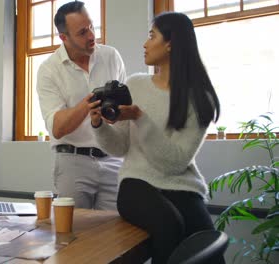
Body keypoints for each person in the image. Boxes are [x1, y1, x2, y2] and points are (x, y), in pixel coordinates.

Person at [89, 12, 223, 264]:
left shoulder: (199, 99)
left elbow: (175, 163)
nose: (145, 43)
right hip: (137, 184)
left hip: (181, 185)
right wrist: (98, 125)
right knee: (170, 224)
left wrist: (140, 117)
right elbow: (119, 147)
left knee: (207, 242)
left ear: (170, 43)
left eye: (152, 36)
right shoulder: (135, 85)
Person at [36, 1, 126, 210]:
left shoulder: (111, 56)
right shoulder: (49, 70)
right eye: (83, 32)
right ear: (64, 37)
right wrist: (88, 103)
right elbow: (57, 128)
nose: (92, 36)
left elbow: (123, 109)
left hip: (113, 160)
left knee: (115, 233)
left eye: (92, 27)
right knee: (74, 233)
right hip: (72, 162)